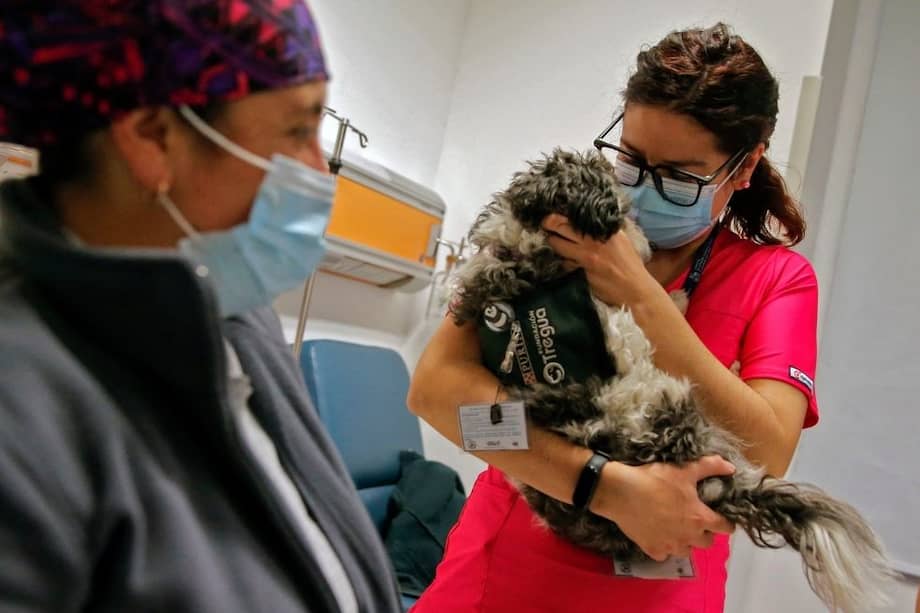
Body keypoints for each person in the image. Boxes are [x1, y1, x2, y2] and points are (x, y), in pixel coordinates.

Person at [0, 2, 401, 611]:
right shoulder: (23, 409)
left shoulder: (234, 305)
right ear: (152, 137)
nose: (322, 173)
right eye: (298, 131)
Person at [408, 23, 819, 612]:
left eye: (680, 176)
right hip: (498, 576)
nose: (644, 189)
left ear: (744, 166)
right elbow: (435, 394)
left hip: (662, 593)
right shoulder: (561, 224)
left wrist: (640, 296)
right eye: (631, 159)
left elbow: (767, 454)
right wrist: (599, 484)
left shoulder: (777, 280)